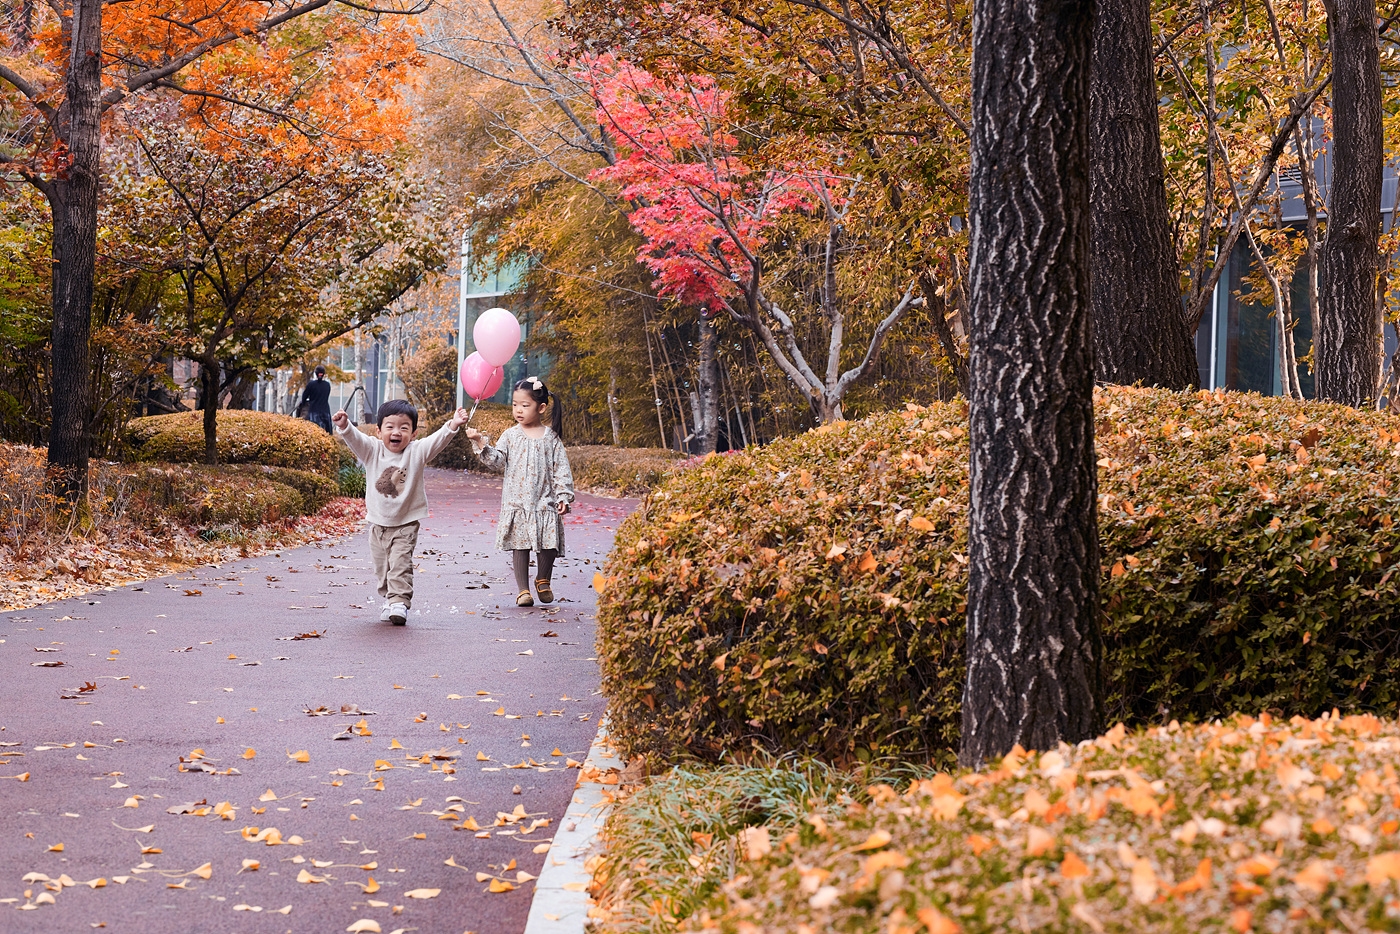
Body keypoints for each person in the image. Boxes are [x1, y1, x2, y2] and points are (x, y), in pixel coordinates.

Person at [332, 399, 469, 625]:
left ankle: (399, 602)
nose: (397, 432)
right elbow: (356, 440)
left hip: (405, 524)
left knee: (400, 563)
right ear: (379, 430)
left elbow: (436, 442)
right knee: (382, 569)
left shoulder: (416, 452)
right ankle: (389, 598)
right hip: (377, 524)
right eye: (390, 427)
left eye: (404, 427)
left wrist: (452, 425)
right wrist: (345, 426)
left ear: (413, 433)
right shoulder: (372, 451)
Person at [465, 377, 575, 607]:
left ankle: (543, 578)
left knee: (549, 542)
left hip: (545, 500)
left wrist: (564, 495)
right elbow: (497, 461)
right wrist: (480, 443)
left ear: (541, 408)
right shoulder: (510, 435)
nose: (518, 410)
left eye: (525, 405)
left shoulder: (551, 439)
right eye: (515, 404)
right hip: (518, 502)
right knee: (520, 544)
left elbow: (561, 469)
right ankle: (523, 590)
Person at [299, 366, 334, 433]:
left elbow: (304, 396)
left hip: (314, 411)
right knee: (328, 432)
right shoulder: (327, 385)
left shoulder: (311, 384)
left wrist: (303, 403)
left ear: (316, 373)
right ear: (323, 374)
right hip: (326, 411)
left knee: (315, 431)